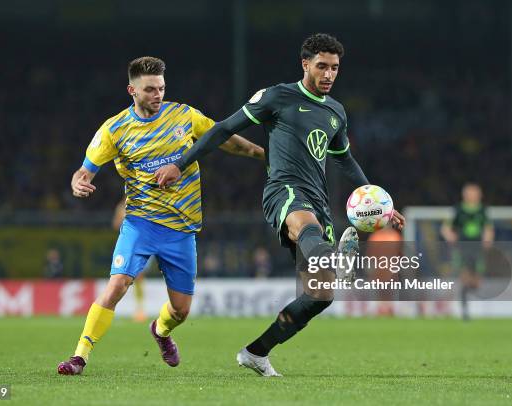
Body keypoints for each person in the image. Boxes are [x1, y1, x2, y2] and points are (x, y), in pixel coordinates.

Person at [155, 33, 405, 376]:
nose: (329, 74)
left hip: (318, 198)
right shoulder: (277, 97)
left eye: (334, 68)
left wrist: (380, 203)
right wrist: (180, 164)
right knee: (307, 227)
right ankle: (335, 257)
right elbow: (224, 128)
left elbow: (344, 159)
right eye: (322, 66)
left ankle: (256, 352)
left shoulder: (336, 112)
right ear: (305, 65)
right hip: (284, 190)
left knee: (320, 296)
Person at [58, 56, 264, 375]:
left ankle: (161, 331)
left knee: (180, 311)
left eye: (162, 88)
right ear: (132, 90)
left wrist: (260, 153)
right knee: (119, 283)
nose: (158, 94)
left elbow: (222, 138)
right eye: (150, 89)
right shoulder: (114, 130)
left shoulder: (184, 116)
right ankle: (79, 356)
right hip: (140, 222)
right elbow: (84, 171)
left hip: (182, 229)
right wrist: (78, 182)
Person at [441, 182, 494, 320]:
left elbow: (488, 227)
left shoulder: (482, 210)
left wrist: (488, 238)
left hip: (478, 249)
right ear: (464, 195)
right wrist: (450, 236)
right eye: (470, 193)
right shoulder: (458, 210)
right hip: (462, 248)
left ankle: (465, 296)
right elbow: (445, 227)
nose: (472, 196)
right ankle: (465, 311)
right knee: (464, 278)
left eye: (475, 193)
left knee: (476, 283)